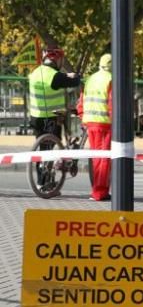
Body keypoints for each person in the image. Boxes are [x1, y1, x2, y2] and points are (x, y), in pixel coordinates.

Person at [80, 53, 113, 201]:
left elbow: (82, 100)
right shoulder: (111, 79)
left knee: (96, 158)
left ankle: (98, 190)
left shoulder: (91, 78)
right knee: (104, 158)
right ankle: (100, 192)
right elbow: (112, 105)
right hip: (104, 123)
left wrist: (83, 117)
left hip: (90, 122)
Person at [28, 47, 80, 139]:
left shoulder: (35, 72)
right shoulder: (55, 76)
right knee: (49, 147)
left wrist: (65, 75)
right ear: (56, 61)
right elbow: (75, 82)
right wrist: (76, 76)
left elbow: (58, 78)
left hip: (35, 116)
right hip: (50, 117)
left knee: (43, 145)